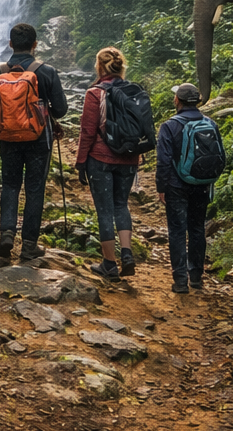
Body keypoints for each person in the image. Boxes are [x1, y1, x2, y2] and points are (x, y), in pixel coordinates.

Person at [0, 23, 69, 260]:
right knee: (35, 189)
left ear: (10, 43)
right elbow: (62, 109)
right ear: (35, 44)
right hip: (38, 140)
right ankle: (29, 245)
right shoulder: (46, 71)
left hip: (7, 138)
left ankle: (6, 234)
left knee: (10, 185)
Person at [73, 46, 140, 281]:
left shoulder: (95, 93)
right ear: (122, 66)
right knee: (121, 205)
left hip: (100, 159)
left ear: (99, 67)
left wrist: (81, 162)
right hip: (130, 158)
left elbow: (87, 131)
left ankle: (110, 264)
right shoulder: (134, 91)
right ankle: (128, 253)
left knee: (104, 210)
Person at [155, 83, 217, 293]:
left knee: (177, 231)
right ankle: (197, 277)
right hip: (202, 184)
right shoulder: (210, 123)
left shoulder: (169, 126)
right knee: (198, 229)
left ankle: (180, 280)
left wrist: (161, 186)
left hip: (176, 185)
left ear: (177, 100)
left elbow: (163, 160)